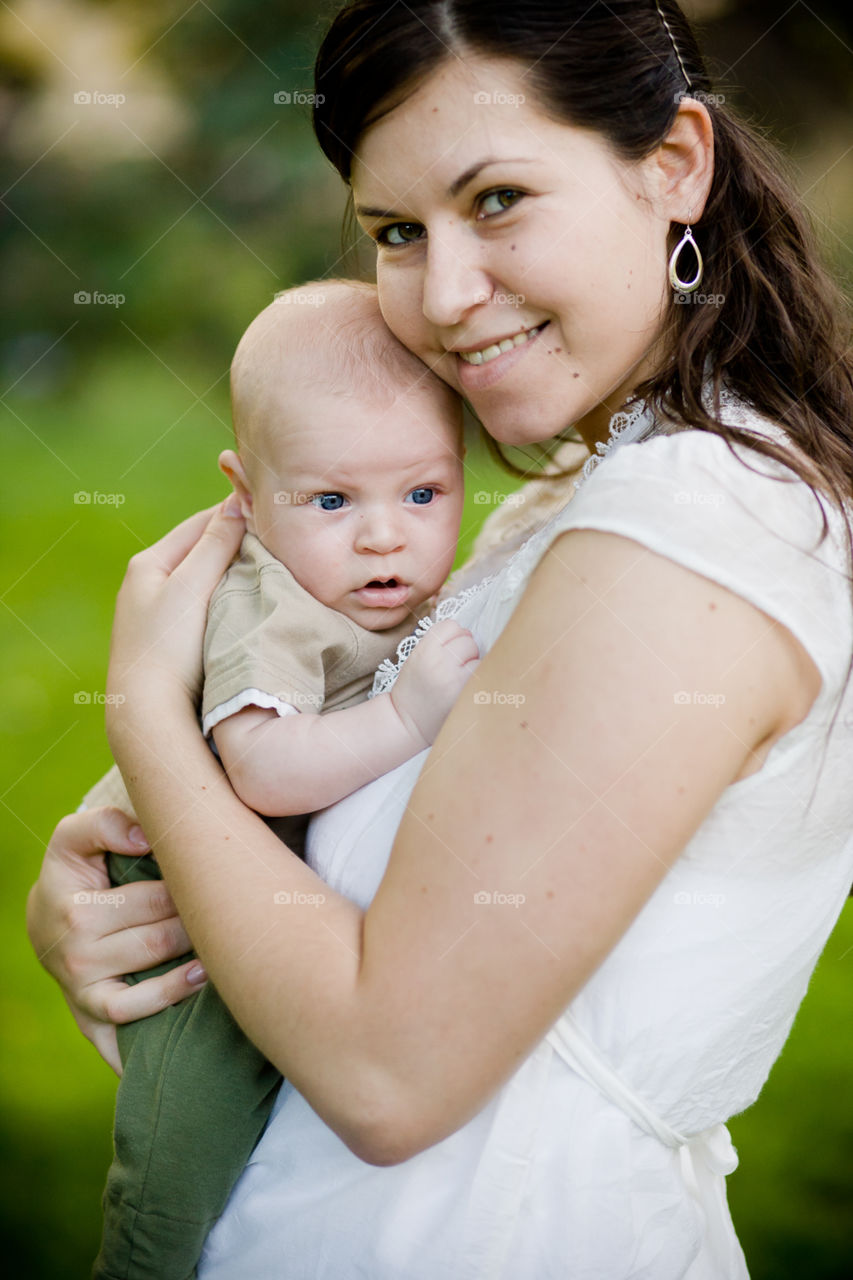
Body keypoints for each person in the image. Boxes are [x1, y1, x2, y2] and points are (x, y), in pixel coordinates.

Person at [27, 1, 853, 1276]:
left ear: (675, 165)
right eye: (397, 233)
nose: (447, 295)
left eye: (499, 199)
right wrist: (127, 893)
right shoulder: (574, 500)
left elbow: (387, 1070)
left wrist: (147, 712)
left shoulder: (692, 529)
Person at [83, 277, 476, 1279]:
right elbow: (260, 768)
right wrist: (403, 719)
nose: (383, 535)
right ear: (248, 493)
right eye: (332, 500)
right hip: (188, 907)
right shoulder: (275, 607)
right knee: (191, 1124)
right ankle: (140, 1256)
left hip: (277, 903)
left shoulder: (391, 583)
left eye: (423, 493)